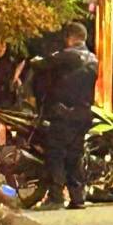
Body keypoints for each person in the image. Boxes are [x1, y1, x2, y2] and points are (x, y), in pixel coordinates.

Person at [31, 22, 99, 210]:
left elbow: (40, 64)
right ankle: (77, 198)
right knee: (74, 157)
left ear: (70, 37)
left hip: (63, 114)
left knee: (55, 154)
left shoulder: (67, 56)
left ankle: (56, 197)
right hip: (83, 114)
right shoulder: (93, 59)